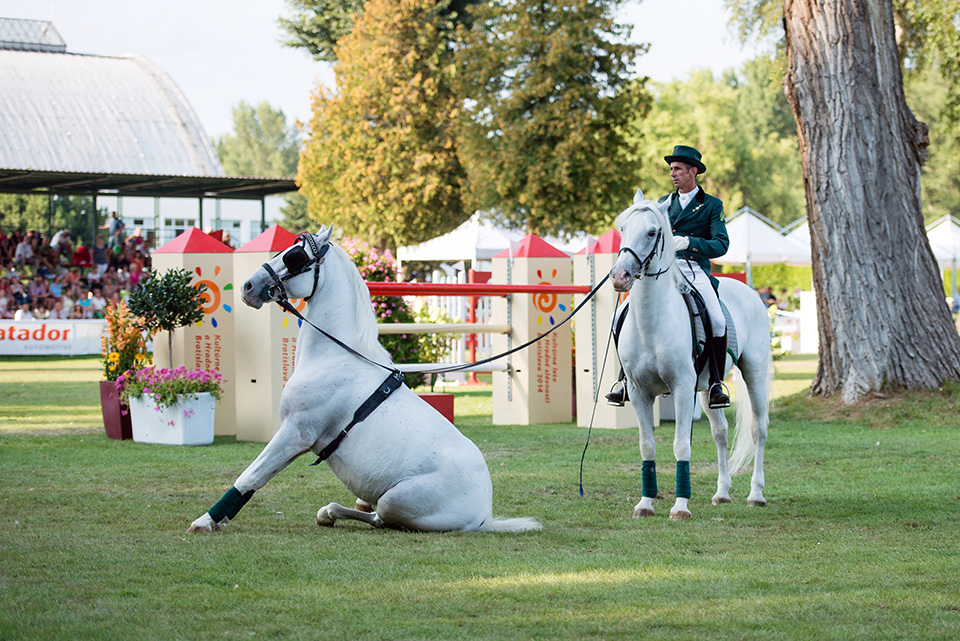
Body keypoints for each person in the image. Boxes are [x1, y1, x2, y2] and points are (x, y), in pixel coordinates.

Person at [607, 145, 732, 409]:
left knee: (718, 319)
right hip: (662, 271)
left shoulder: (711, 205)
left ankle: (716, 383)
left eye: (678, 169)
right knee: (618, 316)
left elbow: (721, 244)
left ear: (693, 171)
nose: (673, 174)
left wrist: (689, 242)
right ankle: (625, 380)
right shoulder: (662, 204)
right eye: (671, 169)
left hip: (694, 269)